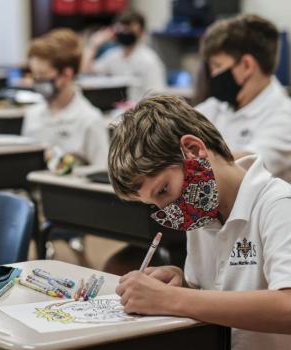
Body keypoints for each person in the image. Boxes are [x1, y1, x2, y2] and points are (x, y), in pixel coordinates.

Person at [109, 95, 291, 350]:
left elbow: (287, 308)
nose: (168, 211)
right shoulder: (202, 214)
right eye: (155, 205)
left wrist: (171, 299)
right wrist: (180, 282)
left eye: (163, 190)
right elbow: (211, 298)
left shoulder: (278, 204)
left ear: (194, 150)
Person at [195, 14, 291, 182]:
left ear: (247, 65)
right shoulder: (217, 106)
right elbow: (175, 127)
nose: (213, 75)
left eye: (217, 65)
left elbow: (247, 163)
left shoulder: (285, 117)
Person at [22, 28, 109, 168]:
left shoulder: (90, 120)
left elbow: (102, 172)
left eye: (43, 75)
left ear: (66, 75)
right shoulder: (32, 115)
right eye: (34, 75)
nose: (37, 81)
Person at [81, 10, 166, 101]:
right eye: (122, 28)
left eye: (129, 29)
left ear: (141, 32)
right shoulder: (113, 55)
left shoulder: (149, 60)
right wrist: (94, 44)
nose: (124, 32)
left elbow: (157, 95)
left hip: (140, 111)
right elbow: (86, 70)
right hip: (116, 110)